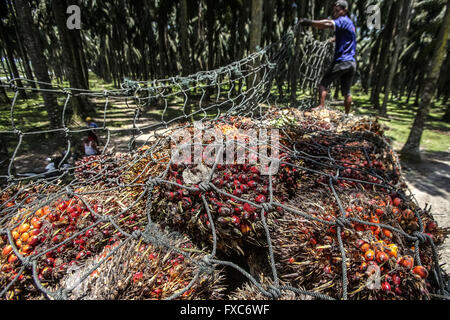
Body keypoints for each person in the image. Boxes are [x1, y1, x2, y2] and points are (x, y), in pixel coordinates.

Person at [299, 0, 357, 116]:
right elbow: (347, 37)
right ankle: (346, 115)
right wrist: (333, 40)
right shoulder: (350, 24)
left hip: (342, 61)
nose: (335, 12)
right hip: (352, 63)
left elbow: (327, 24)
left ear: (345, 11)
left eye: (338, 10)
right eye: (334, 10)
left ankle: (321, 107)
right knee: (347, 92)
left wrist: (310, 23)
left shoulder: (342, 20)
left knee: (323, 84)